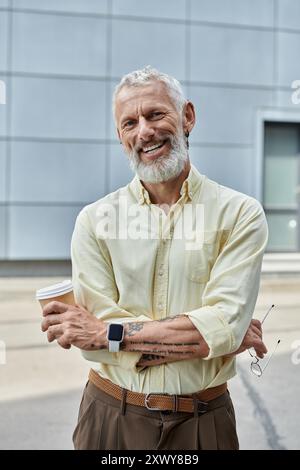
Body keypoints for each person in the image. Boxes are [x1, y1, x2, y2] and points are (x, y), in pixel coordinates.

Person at [41, 66, 268, 450]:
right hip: (110, 416)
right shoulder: (95, 221)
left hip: (203, 422)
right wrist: (209, 335)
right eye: (129, 122)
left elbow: (99, 334)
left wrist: (108, 333)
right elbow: (88, 344)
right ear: (120, 137)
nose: (144, 131)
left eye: (155, 114)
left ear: (187, 117)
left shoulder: (240, 214)